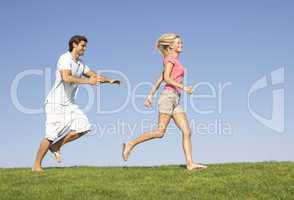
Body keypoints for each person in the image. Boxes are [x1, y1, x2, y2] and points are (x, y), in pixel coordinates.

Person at [32, 35, 120, 172]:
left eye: (85, 46)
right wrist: (87, 82)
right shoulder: (64, 58)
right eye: (82, 46)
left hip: (70, 104)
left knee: (84, 127)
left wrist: (109, 80)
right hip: (55, 103)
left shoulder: (81, 64)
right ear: (74, 44)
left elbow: (93, 76)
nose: (84, 48)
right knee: (50, 135)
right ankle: (36, 165)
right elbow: (66, 78)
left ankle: (56, 146)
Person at [122, 33, 207, 170]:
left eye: (181, 43)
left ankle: (190, 164)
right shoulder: (169, 59)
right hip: (168, 97)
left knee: (187, 131)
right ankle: (130, 144)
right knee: (160, 132)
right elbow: (167, 78)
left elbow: (160, 78)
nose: (181, 45)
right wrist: (183, 87)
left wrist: (150, 95)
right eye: (178, 43)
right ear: (171, 45)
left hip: (175, 99)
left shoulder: (174, 60)